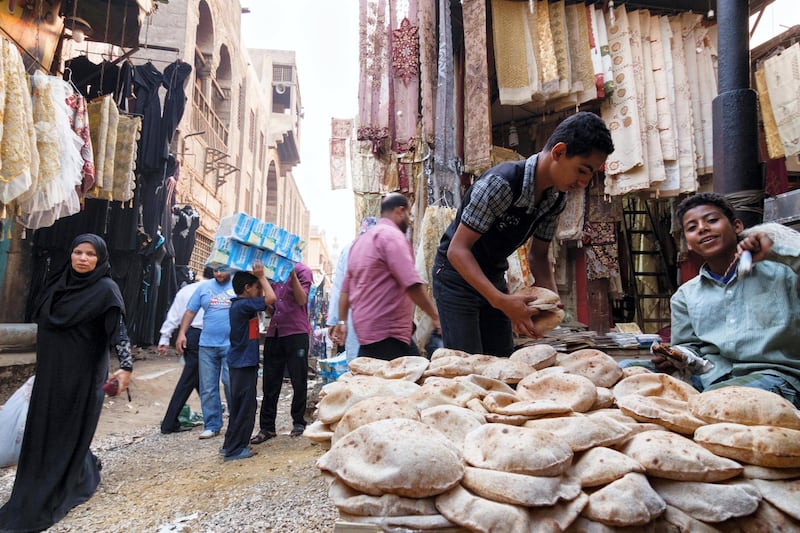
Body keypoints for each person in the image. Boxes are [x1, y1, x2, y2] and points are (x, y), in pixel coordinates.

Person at [431, 112, 614, 357]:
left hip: (493, 274)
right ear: (559, 152)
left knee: (503, 362)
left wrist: (552, 302)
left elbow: (538, 256)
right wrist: (500, 301)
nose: (583, 182)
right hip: (455, 277)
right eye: (582, 170)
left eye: (590, 175)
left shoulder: (555, 198)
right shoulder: (500, 184)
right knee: (467, 365)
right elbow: (457, 251)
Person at [0, 234, 132, 532]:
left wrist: (125, 366)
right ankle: (77, 470)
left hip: (82, 378)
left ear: (100, 259)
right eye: (78, 252)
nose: (83, 258)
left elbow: (118, 331)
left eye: (90, 254)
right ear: (70, 255)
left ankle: (59, 482)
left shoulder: (106, 290)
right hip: (50, 375)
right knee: (45, 429)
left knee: (67, 429)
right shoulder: (57, 287)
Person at [649, 192, 800, 407]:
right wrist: (676, 355)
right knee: (627, 373)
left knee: (714, 403)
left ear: (737, 226)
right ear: (689, 243)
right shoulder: (685, 295)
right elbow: (689, 346)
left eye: (712, 220)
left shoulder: (783, 274)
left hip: (777, 377)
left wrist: (774, 252)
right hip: (712, 377)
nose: (702, 228)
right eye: (692, 228)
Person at [332, 193, 440, 360]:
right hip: (389, 333)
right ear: (400, 211)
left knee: (373, 379)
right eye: (409, 215)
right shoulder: (393, 237)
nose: (410, 220)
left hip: (367, 337)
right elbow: (411, 284)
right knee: (412, 378)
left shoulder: (359, 243)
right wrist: (435, 316)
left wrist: (342, 322)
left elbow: (345, 290)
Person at [251, 263, 313, 444]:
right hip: (275, 332)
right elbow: (272, 309)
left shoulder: (303, 271)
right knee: (270, 382)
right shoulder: (272, 272)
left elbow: (302, 300)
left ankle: (299, 422)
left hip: (296, 332)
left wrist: (292, 276)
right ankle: (267, 427)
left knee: (298, 379)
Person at [222, 263, 276, 461]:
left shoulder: (241, 306)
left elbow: (270, 306)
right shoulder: (243, 305)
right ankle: (235, 449)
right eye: (257, 288)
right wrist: (261, 276)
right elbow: (271, 298)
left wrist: (261, 280)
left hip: (242, 362)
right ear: (247, 288)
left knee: (239, 406)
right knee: (245, 407)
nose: (259, 291)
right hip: (243, 363)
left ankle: (231, 444)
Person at [175, 268, 234, 439]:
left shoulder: (237, 285)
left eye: (223, 269)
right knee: (208, 387)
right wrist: (181, 333)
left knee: (230, 383)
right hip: (207, 344)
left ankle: (235, 422)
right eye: (216, 270)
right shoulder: (203, 288)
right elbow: (190, 311)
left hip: (231, 344)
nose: (219, 274)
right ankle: (212, 424)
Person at [157, 266, 214, 434]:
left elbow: (173, 315)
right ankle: (169, 422)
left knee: (197, 377)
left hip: (189, 335)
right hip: (204, 336)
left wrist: (165, 337)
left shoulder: (187, 290)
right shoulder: (219, 292)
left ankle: (213, 411)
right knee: (189, 379)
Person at [326, 216, 378, 362]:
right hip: (379, 318)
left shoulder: (349, 249)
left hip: (354, 316)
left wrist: (334, 321)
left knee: (357, 363)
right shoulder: (383, 246)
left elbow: (339, 288)